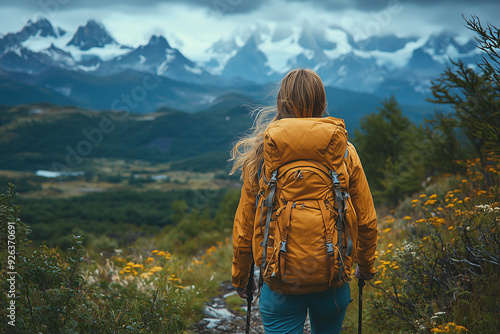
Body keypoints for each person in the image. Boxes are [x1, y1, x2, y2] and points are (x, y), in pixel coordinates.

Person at [230, 69, 378, 334]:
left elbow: (245, 224)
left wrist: (241, 278)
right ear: (322, 103)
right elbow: (366, 219)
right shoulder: (344, 152)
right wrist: (366, 267)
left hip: (279, 284)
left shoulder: (263, 154)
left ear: (281, 102)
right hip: (332, 282)